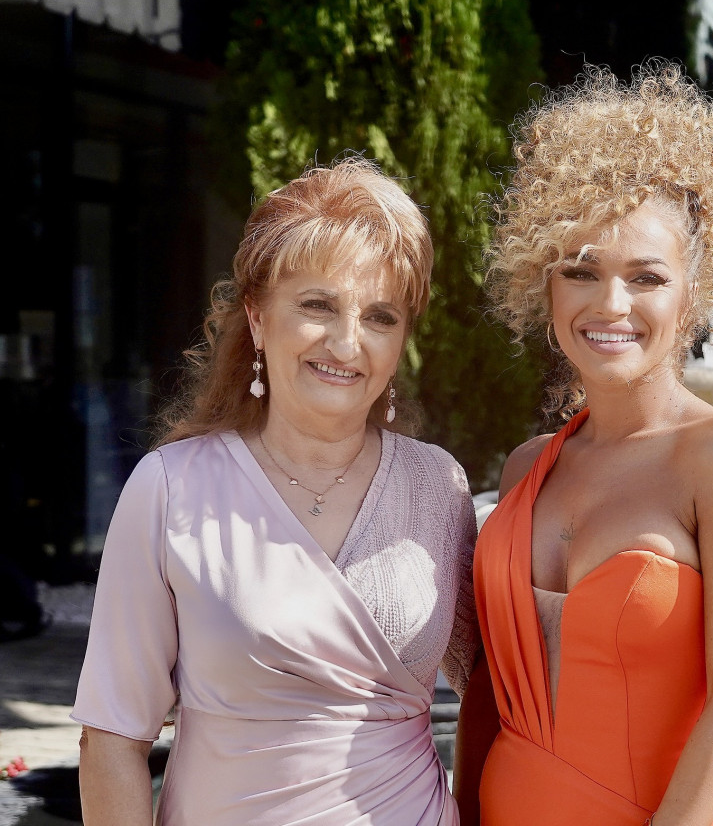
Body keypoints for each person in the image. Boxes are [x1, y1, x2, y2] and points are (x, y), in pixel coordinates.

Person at [72, 158, 479, 826]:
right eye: (319, 306)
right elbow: (112, 737)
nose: (347, 343)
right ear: (258, 318)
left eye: (381, 316)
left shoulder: (439, 485)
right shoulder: (171, 487)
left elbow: (494, 690)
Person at [464, 63, 713, 825]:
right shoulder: (527, 466)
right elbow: (486, 690)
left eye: (646, 277)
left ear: (693, 292)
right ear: (546, 284)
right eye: (581, 271)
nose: (611, 304)